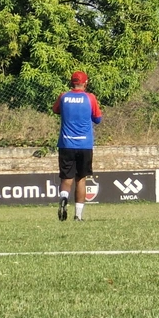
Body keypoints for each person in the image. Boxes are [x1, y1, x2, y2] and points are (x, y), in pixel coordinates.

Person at [53, 71, 102, 222]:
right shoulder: (90, 98)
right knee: (80, 179)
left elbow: (55, 110)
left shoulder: (63, 97)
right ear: (85, 83)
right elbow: (98, 119)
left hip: (66, 143)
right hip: (85, 144)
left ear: (71, 82)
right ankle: (78, 216)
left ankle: (63, 197)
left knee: (66, 178)